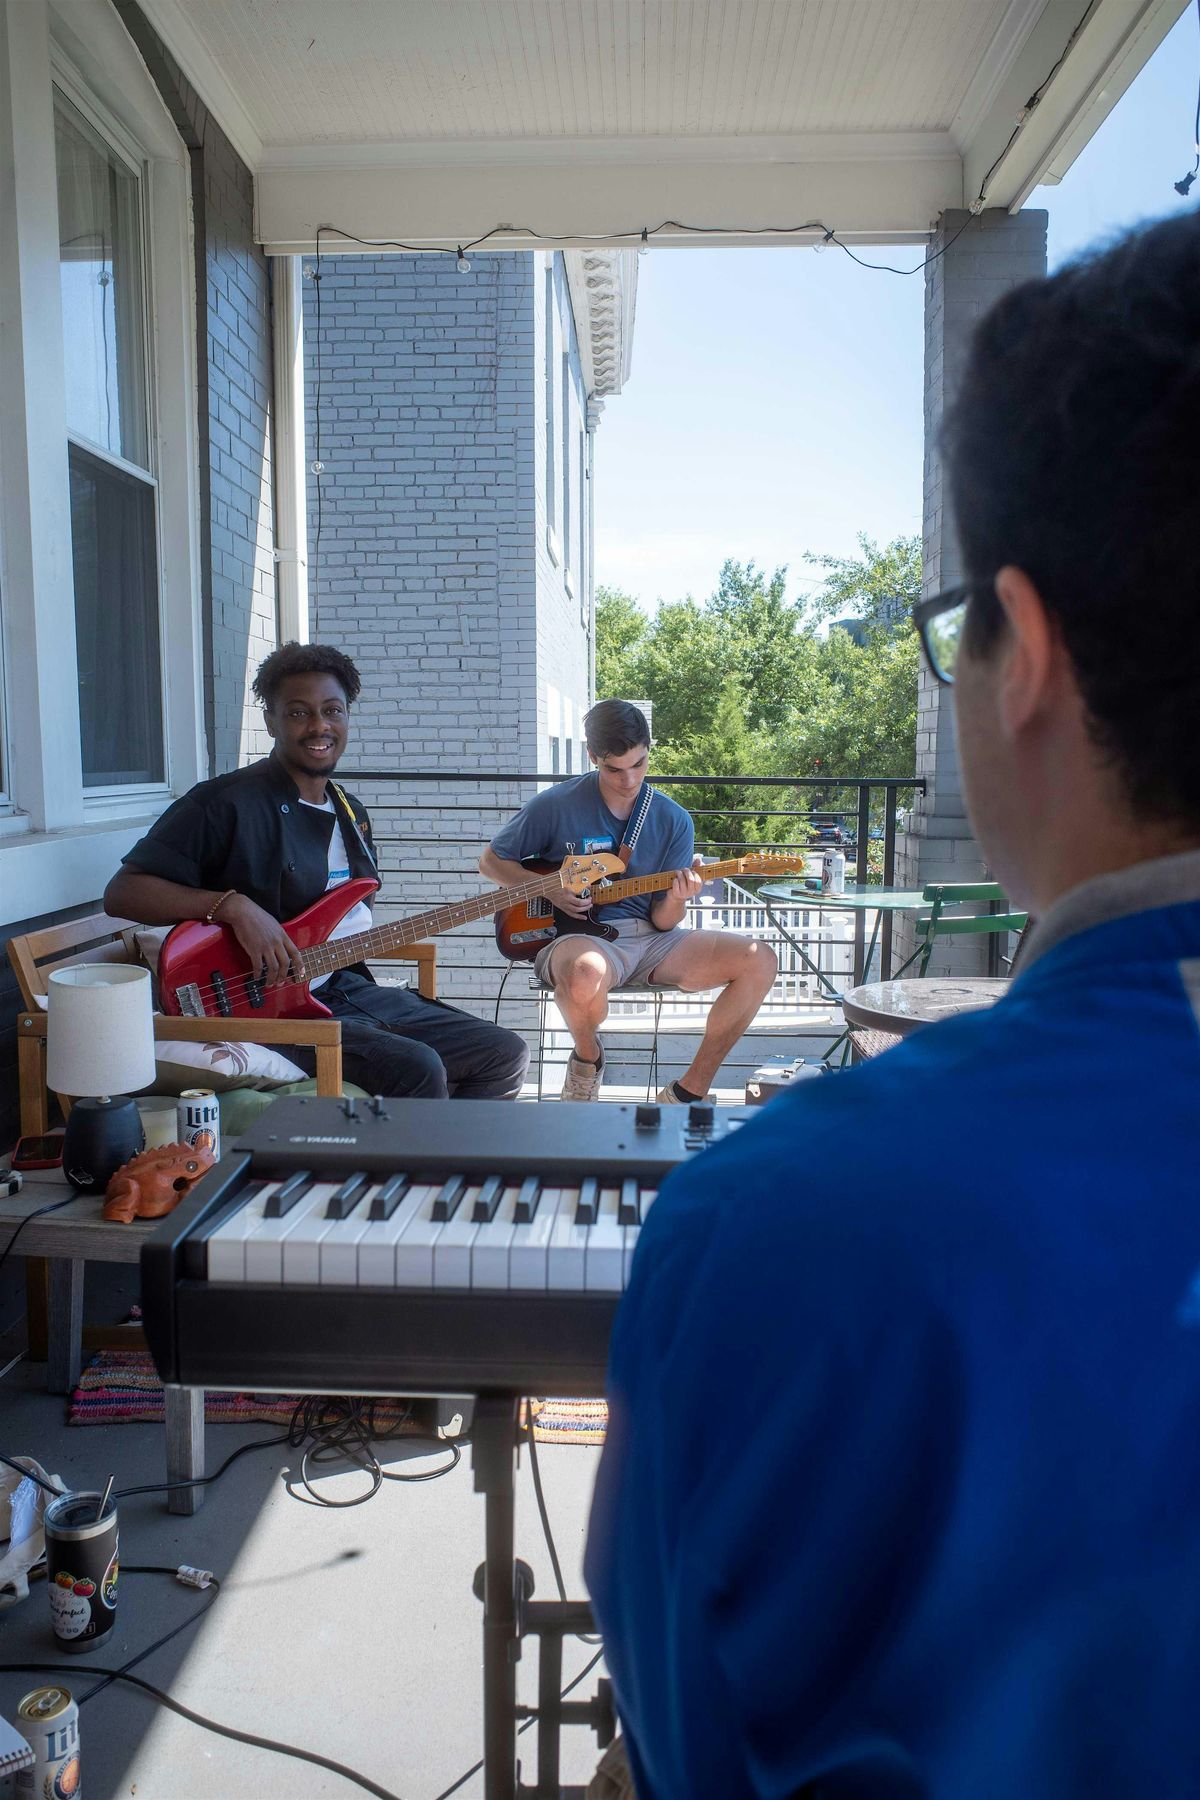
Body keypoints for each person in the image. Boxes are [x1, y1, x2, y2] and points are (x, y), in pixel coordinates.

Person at [586, 211, 1200, 1800]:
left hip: (669, 960)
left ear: (1024, 652)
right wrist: (561, 905)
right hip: (586, 959)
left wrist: (659, 902)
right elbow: (525, 883)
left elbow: (684, 1750)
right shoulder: (559, 808)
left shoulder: (774, 1223)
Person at [105, 642, 529, 1101]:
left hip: (338, 985)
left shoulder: (351, 812)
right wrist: (233, 908)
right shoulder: (224, 803)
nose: (319, 726)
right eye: (298, 713)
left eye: (332, 711)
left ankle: (449, 1148)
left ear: (347, 717)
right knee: (417, 1067)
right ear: (271, 721)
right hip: (260, 1004)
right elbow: (123, 892)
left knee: (503, 1053)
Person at [479, 700, 777, 1102]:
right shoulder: (556, 804)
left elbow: (665, 921)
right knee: (585, 973)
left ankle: (688, 1092)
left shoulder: (673, 819)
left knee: (760, 960)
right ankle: (588, 1060)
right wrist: (548, 888)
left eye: (639, 764)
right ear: (593, 757)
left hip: (653, 940)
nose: (629, 779)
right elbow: (490, 861)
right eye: (614, 769)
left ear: (649, 750)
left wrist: (678, 897)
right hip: (579, 939)